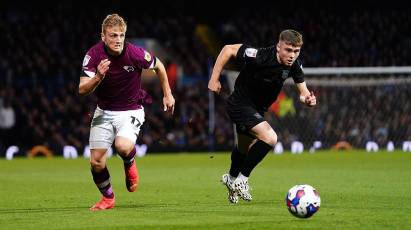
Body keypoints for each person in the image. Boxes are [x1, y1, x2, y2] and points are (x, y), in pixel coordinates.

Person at [79, 14, 175, 211]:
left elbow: (159, 66)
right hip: (104, 111)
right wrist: (98, 76)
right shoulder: (93, 55)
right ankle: (108, 198)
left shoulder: (134, 53)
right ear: (103, 37)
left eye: (121, 35)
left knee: (122, 146)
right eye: (113, 35)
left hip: (131, 109)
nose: (118, 40)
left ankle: (129, 161)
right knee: (96, 162)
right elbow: (82, 89)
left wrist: (168, 94)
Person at [208, 29, 316, 203]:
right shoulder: (259, 56)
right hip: (240, 104)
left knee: (244, 146)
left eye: (296, 51)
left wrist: (308, 99)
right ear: (278, 46)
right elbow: (228, 49)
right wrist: (214, 79)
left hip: (257, 108)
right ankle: (242, 181)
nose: (292, 55)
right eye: (288, 50)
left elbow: (303, 92)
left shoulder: (294, 65)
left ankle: (231, 178)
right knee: (270, 138)